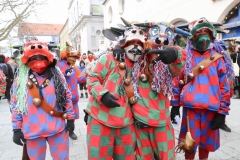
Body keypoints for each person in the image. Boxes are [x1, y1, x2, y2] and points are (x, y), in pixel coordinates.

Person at [85, 18, 187, 160]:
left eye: (139, 44)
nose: (135, 47)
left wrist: (175, 53)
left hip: (143, 124)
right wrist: (101, 94)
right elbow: (92, 78)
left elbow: (177, 64)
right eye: (131, 43)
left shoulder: (158, 61)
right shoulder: (114, 59)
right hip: (119, 122)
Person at [171, 18, 232, 160]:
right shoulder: (185, 57)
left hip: (211, 110)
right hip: (190, 110)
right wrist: (175, 106)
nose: (203, 35)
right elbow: (177, 82)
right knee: (189, 143)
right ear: (192, 36)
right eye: (200, 31)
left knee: (206, 144)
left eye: (206, 31)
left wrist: (222, 113)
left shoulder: (218, 58)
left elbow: (224, 87)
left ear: (211, 36)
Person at [11, 41, 75, 159]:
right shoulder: (20, 81)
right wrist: (16, 129)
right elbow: (16, 105)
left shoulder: (58, 77)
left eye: (41, 56)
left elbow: (67, 97)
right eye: (34, 57)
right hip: (32, 132)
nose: (38, 59)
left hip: (57, 129)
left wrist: (70, 119)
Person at [58, 42, 82, 140]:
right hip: (63, 96)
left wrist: (88, 74)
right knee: (62, 115)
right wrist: (64, 73)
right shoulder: (59, 66)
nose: (74, 60)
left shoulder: (74, 67)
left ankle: (71, 131)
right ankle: (61, 131)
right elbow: (55, 79)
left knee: (72, 116)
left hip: (74, 97)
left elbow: (79, 79)